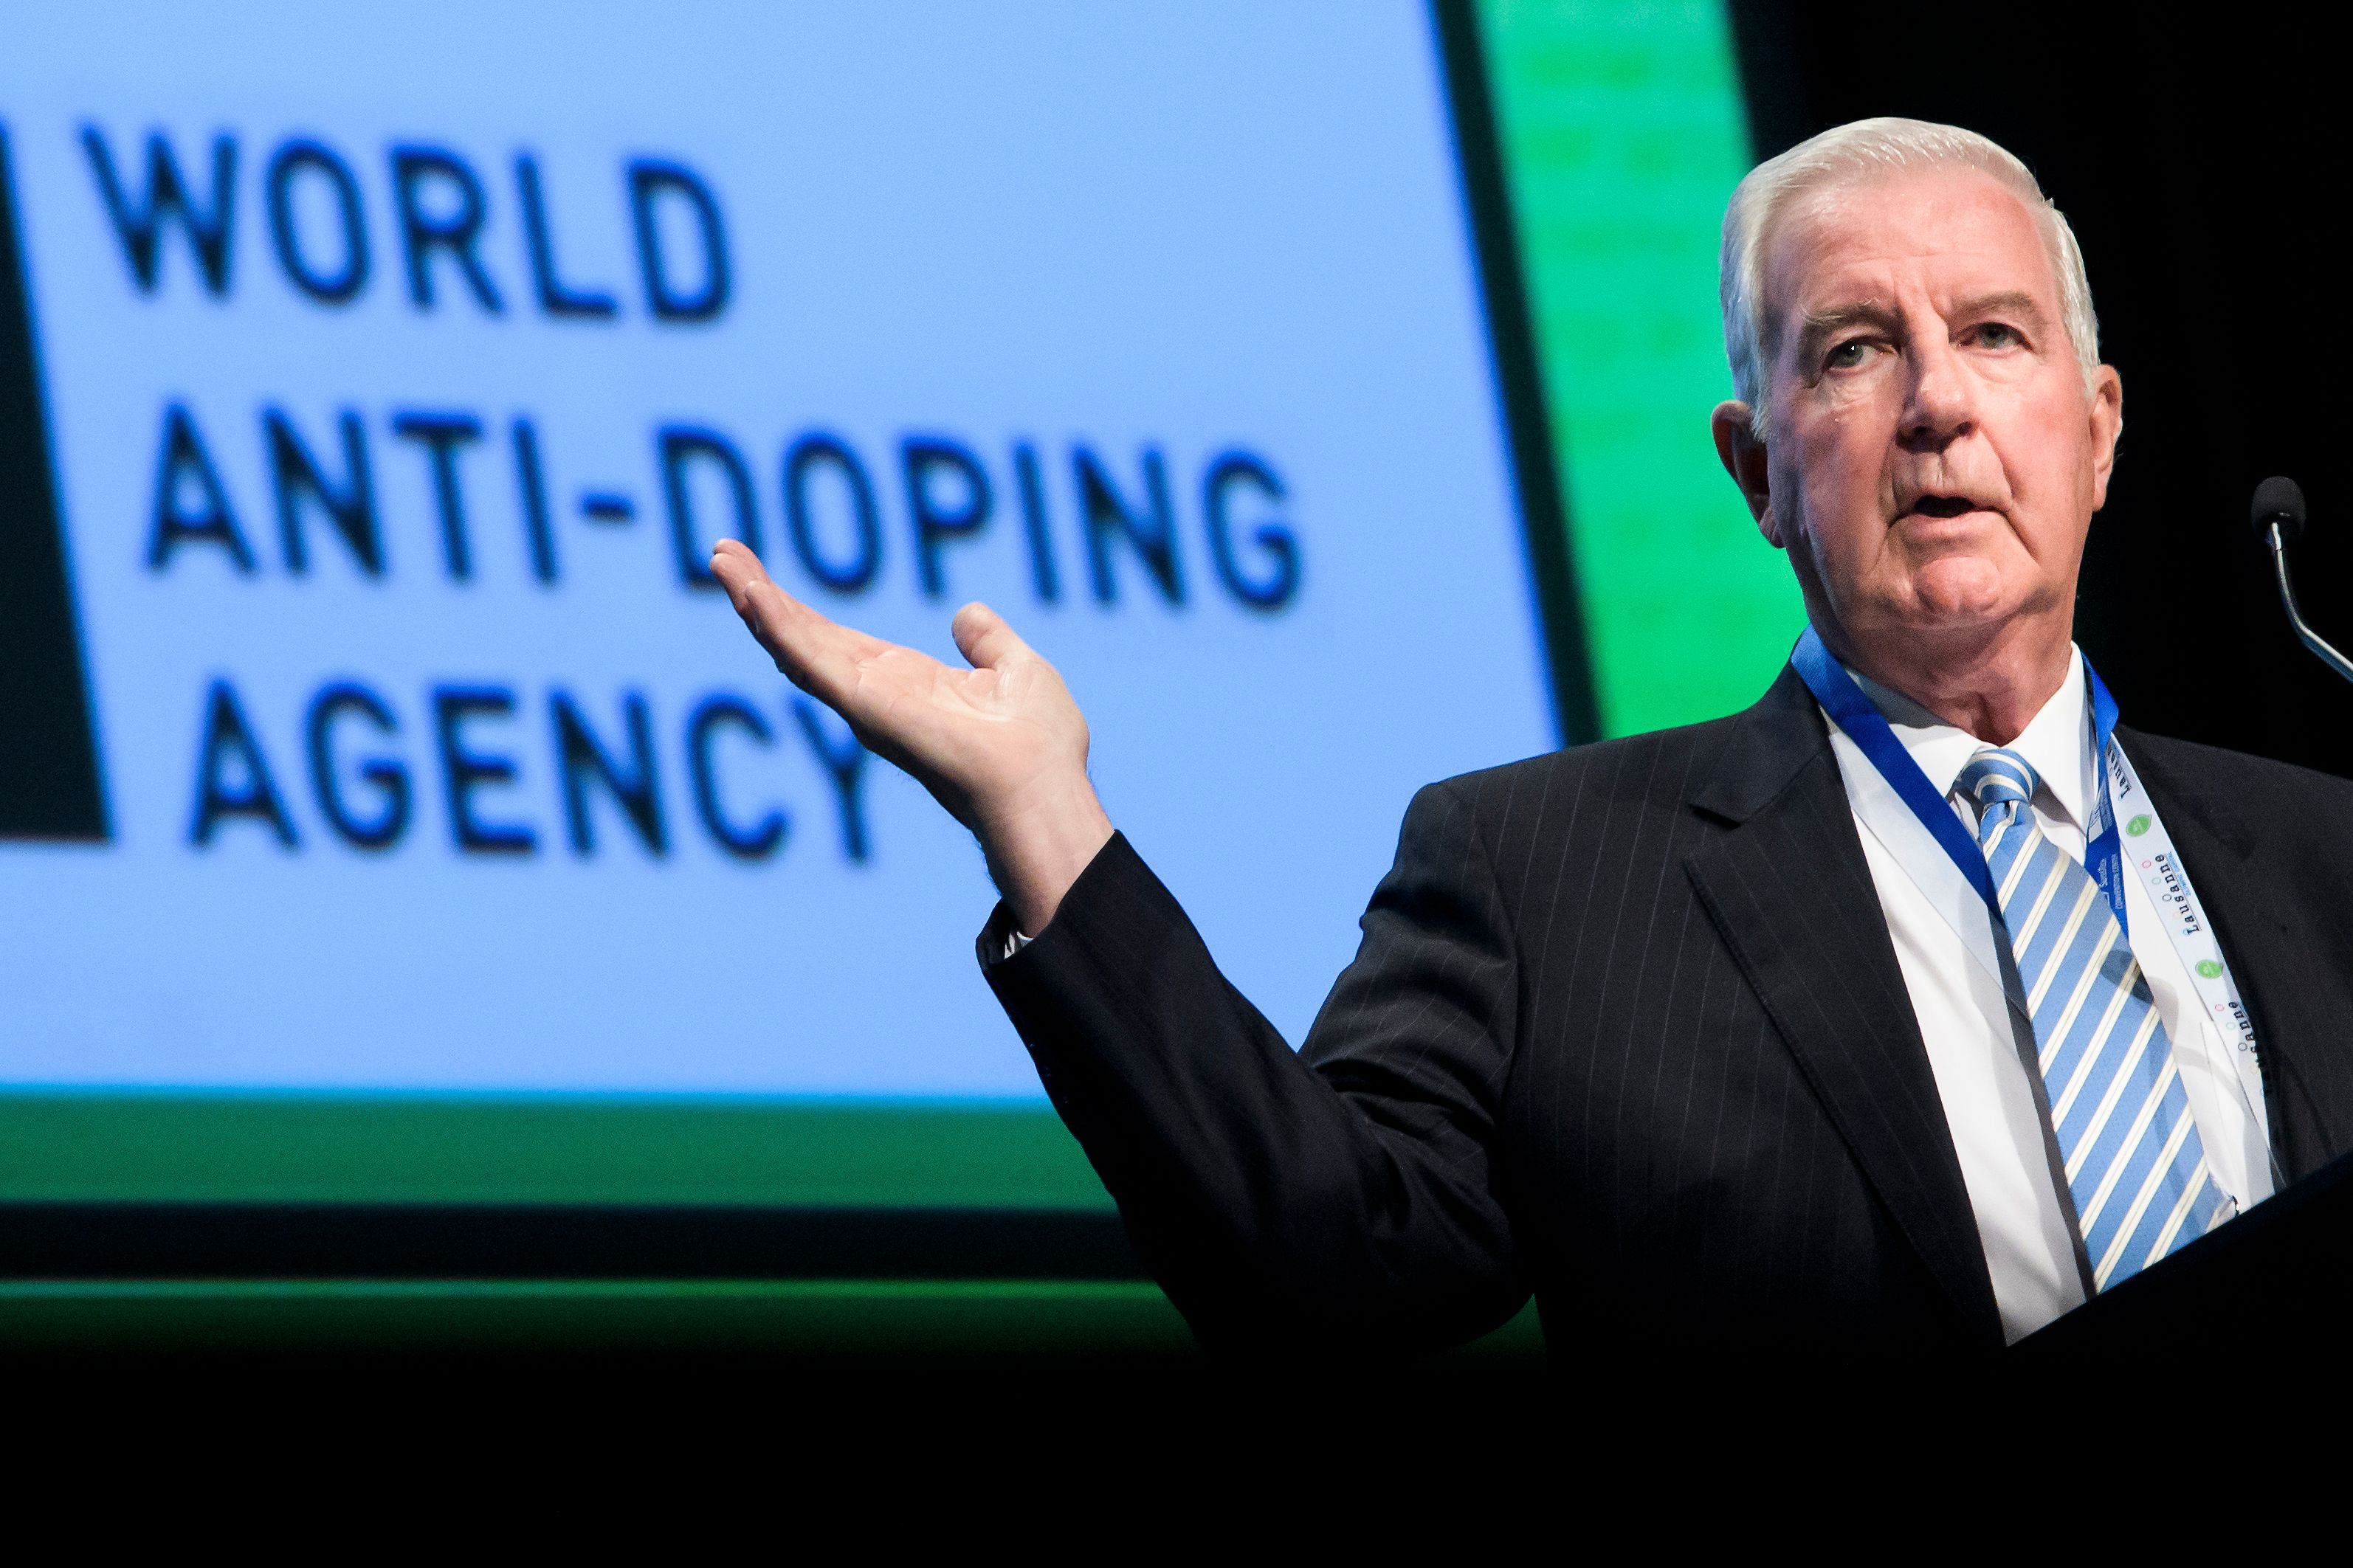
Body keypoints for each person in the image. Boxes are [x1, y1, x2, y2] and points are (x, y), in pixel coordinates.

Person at [709, 119, 2353, 1355]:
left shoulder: (2324, 856)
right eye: (1855, 350)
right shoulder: (1547, 876)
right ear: (1757, 470)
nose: (1937, 403)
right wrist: (1044, 819)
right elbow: (1323, 1266)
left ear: (2097, 429)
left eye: (1994, 334)